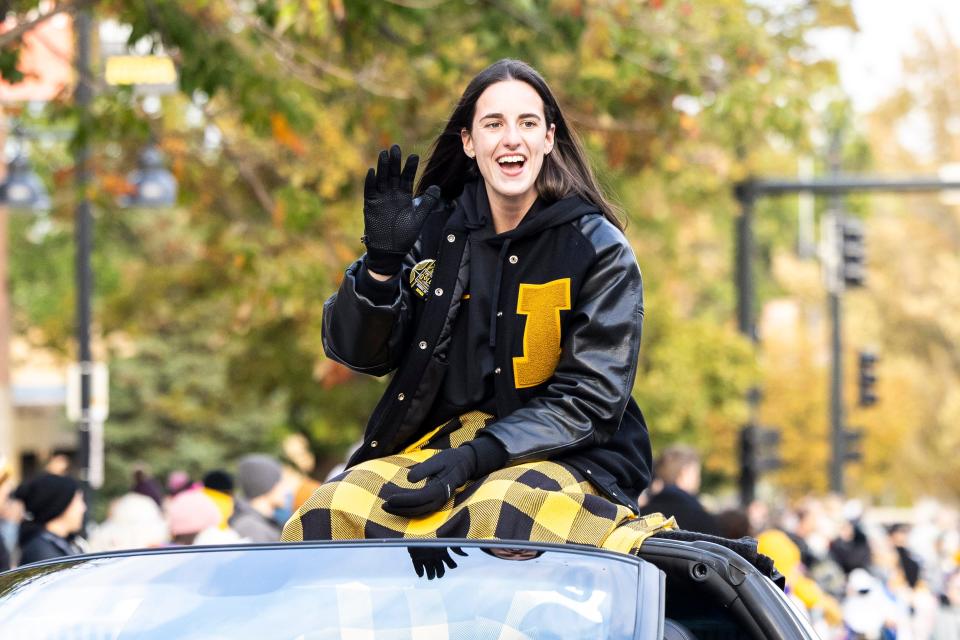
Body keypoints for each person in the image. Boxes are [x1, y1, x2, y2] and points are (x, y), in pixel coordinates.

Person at [284, 58, 660, 552]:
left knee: (500, 510)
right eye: (493, 124)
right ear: (468, 141)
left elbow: (590, 400)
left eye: (527, 123)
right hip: (443, 445)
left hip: (572, 453)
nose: (511, 138)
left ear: (548, 139)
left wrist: (480, 457)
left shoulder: (599, 248)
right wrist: (380, 266)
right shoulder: (433, 229)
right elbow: (359, 352)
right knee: (325, 511)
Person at [638, 445, 720, 536]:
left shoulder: (642, 516)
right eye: (697, 473)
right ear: (685, 472)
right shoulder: (701, 517)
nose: (699, 480)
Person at [12, 473, 86, 566]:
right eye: (78, 501)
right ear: (61, 506)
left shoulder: (63, 544)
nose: (83, 508)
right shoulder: (43, 554)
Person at [229, 454, 288, 542]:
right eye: (281, 482)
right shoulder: (251, 528)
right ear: (268, 486)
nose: (286, 489)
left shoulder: (258, 522)